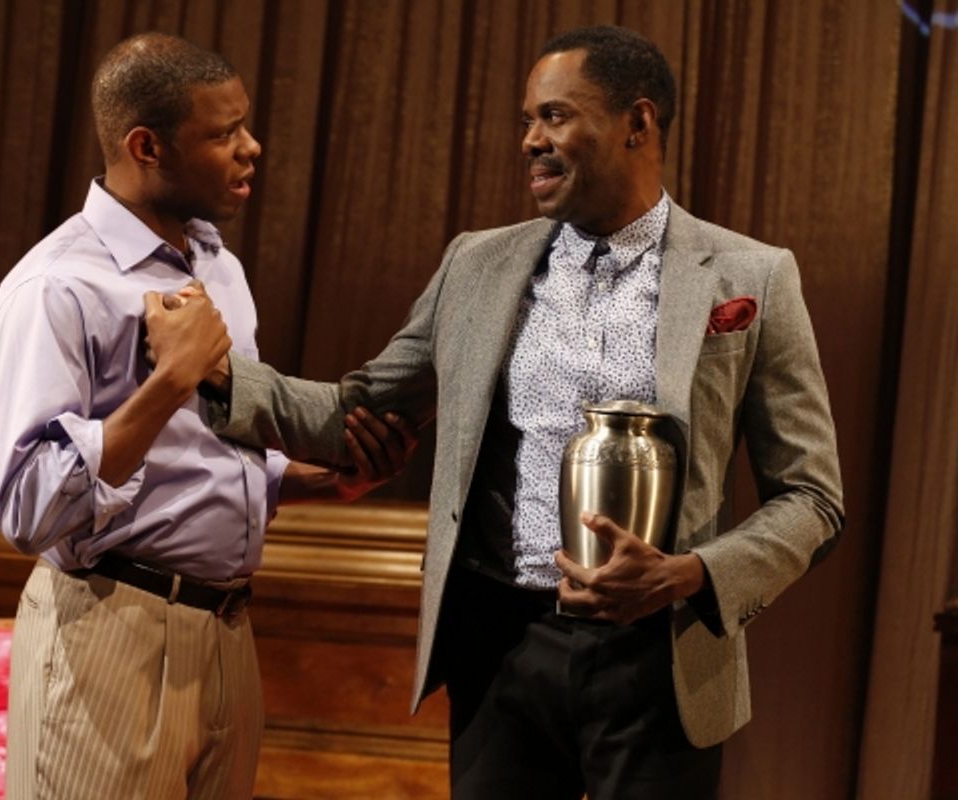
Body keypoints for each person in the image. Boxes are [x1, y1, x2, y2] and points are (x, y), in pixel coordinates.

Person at [203, 25, 844, 800]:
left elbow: (812, 497)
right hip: (499, 645)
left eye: (556, 117)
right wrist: (213, 377)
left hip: (663, 660)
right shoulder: (478, 262)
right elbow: (360, 407)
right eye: (526, 122)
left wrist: (691, 574)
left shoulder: (751, 277)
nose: (532, 141)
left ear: (638, 123)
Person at [0, 33, 414, 800]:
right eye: (222, 133)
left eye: (244, 124)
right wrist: (168, 383)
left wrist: (313, 480)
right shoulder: (55, 288)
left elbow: (204, 461)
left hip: (227, 634)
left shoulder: (218, 265)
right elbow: (28, 509)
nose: (252, 148)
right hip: (107, 630)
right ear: (146, 146)